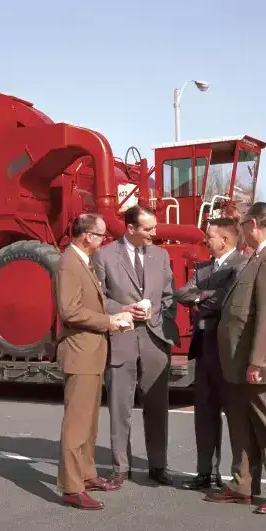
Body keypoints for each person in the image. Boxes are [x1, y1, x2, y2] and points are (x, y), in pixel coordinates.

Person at [205, 202, 266, 514]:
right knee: (241, 425)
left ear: (255, 224)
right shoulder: (258, 257)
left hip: (258, 363)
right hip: (240, 362)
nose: (241, 231)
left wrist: (257, 360)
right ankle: (242, 485)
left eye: (243, 225)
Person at [91, 204, 179, 487]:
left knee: (157, 406)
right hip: (121, 337)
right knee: (120, 406)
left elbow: (169, 297)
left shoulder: (161, 255)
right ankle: (120, 469)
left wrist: (158, 315)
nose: (155, 232)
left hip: (155, 339)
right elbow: (98, 298)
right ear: (130, 229)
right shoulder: (104, 256)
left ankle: (158, 466)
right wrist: (123, 308)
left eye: (154, 227)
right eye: (148, 228)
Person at [53, 212, 134, 510]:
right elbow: (69, 311)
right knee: (76, 424)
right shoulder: (69, 264)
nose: (103, 240)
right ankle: (72, 486)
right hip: (80, 352)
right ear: (87, 235)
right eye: (100, 235)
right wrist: (109, 321)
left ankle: (86, 475)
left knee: (88, 422)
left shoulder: (81, 263)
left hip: (90, 352)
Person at [173, 218, 249, 491]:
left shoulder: (242, 265)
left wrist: (201, 296)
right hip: (204, 349)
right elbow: (181, 293)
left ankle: (240, 478)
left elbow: (226, 298)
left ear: (225, 240)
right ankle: (205, 473)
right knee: (204, 413)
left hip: (228, 350)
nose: (206, 241)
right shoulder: (203, 267)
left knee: (236, 416)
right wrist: (205, 295)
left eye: (210, 237)